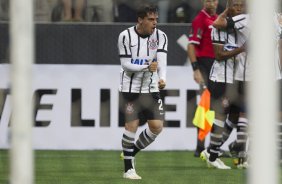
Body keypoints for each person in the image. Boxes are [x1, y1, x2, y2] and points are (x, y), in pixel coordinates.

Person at [117, 4, 167, 179]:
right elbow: (125, 65)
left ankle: (131, 152)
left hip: (151, 88)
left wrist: (163, 78)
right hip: (130, 87)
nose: (155, 23)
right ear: (140, 19)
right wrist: (146, 66)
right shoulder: (125, 36)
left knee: (156, 127)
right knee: (132, 125)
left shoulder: (161, 36)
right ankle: (128, 169)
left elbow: (161, 60)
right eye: (151, 19)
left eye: (156, 20)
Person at [200, 0, 247, 169]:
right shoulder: (217, 29)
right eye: (235, 5)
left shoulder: (238, 27)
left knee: (235, 116)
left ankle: (213, 151)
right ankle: (213, 156)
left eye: (241, 5)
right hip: (220, 79)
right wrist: (241, 49)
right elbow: (219, 55)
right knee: (220, 116)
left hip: (235, 80)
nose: (239, 9)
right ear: (228, 7)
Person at [187, 0, 219, 157]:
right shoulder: (199, 19)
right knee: (206, 107)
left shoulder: (218, 18)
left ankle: (212, 146)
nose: (211, 3)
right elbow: (191, 45)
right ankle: (200, 146)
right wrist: (195, 69)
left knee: (215, 107)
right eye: (208, 0)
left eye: (214, 0)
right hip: (205, 66)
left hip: (217, 67)